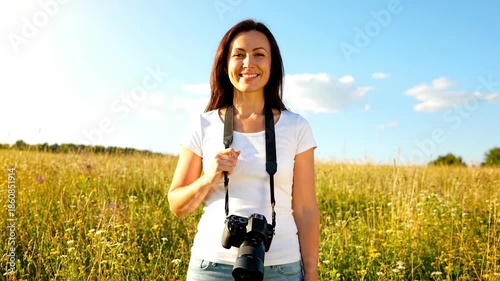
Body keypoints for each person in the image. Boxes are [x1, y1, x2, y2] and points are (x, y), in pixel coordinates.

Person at [168, 19, 319, 281]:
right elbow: (176, 205)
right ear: (225, 64)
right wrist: (210, 177)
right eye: (239, 55)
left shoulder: (297, 127)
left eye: (259, 54)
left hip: (281, 267)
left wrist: (312, 273)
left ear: (272, 65)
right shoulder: (203, 124)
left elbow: (305, 209)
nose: (248, 63)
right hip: (212, 266)